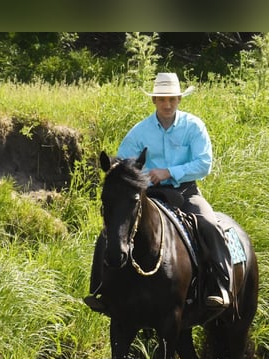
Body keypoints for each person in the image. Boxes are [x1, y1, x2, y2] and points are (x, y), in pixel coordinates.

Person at [85, 72, 232, 313]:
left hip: (186, 193)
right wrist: (124, 171)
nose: (167, 104)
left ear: (179, 100)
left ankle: (220, 286)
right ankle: (101, 289)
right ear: (154, 100)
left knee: (209, 224)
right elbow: (123, 164)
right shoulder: (139, 132)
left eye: (172, 99)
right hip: (149, 196)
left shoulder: (193, 127)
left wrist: (169, 172)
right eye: (162, 99)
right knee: (110, 233)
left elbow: (204, 163)